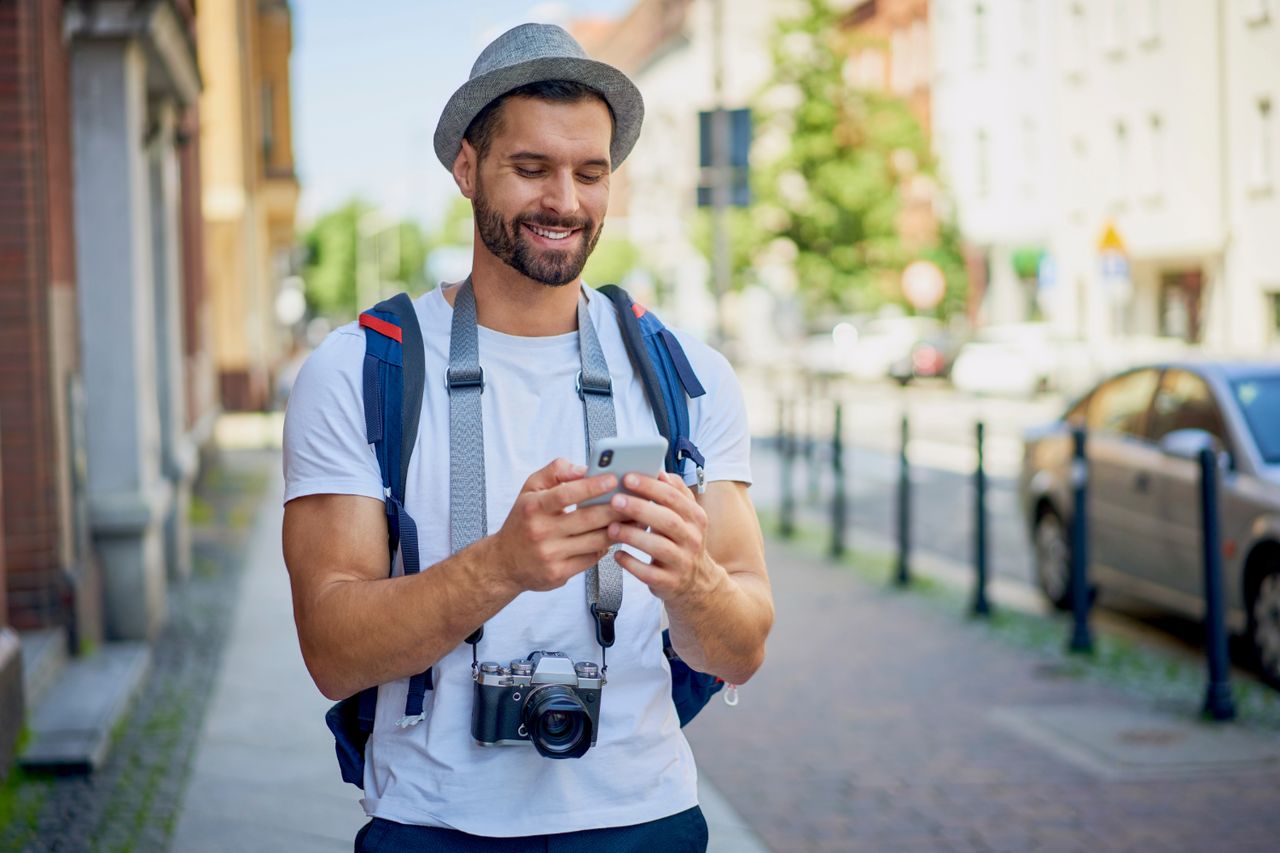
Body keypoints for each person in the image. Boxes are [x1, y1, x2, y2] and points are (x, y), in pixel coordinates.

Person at [281, 22, 773, 852]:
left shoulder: (689, 372)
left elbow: (746, 644)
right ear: (467, 167)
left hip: (644, 819)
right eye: (532, 168)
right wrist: (502, 565)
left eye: (591, 172)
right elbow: (331, 650)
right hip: (432, 824)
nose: (566, 201)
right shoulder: (359, 368)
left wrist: (691, 580)